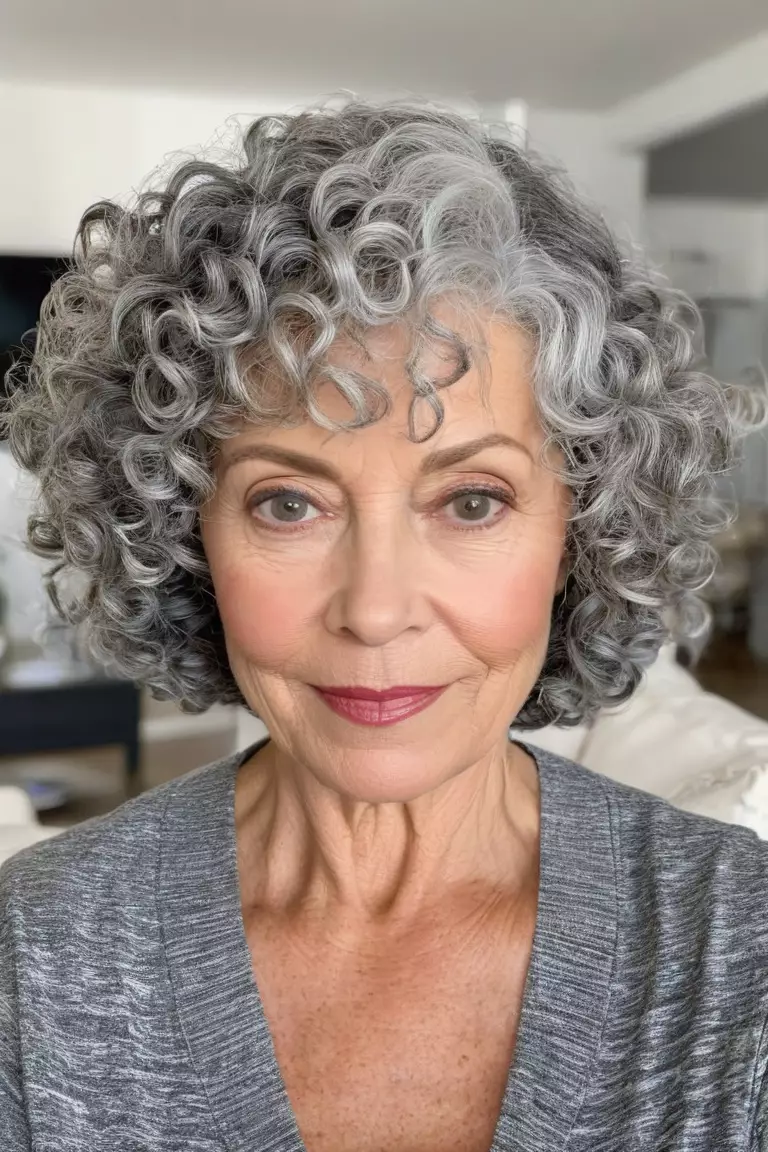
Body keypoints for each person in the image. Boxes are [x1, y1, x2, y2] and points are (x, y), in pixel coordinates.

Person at [1, 96, 767, 1152]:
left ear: (583, 532)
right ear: (183, 532)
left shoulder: (741, 947)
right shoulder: (35, 959)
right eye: (287, 503)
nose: (375, 610)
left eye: (472, 501)